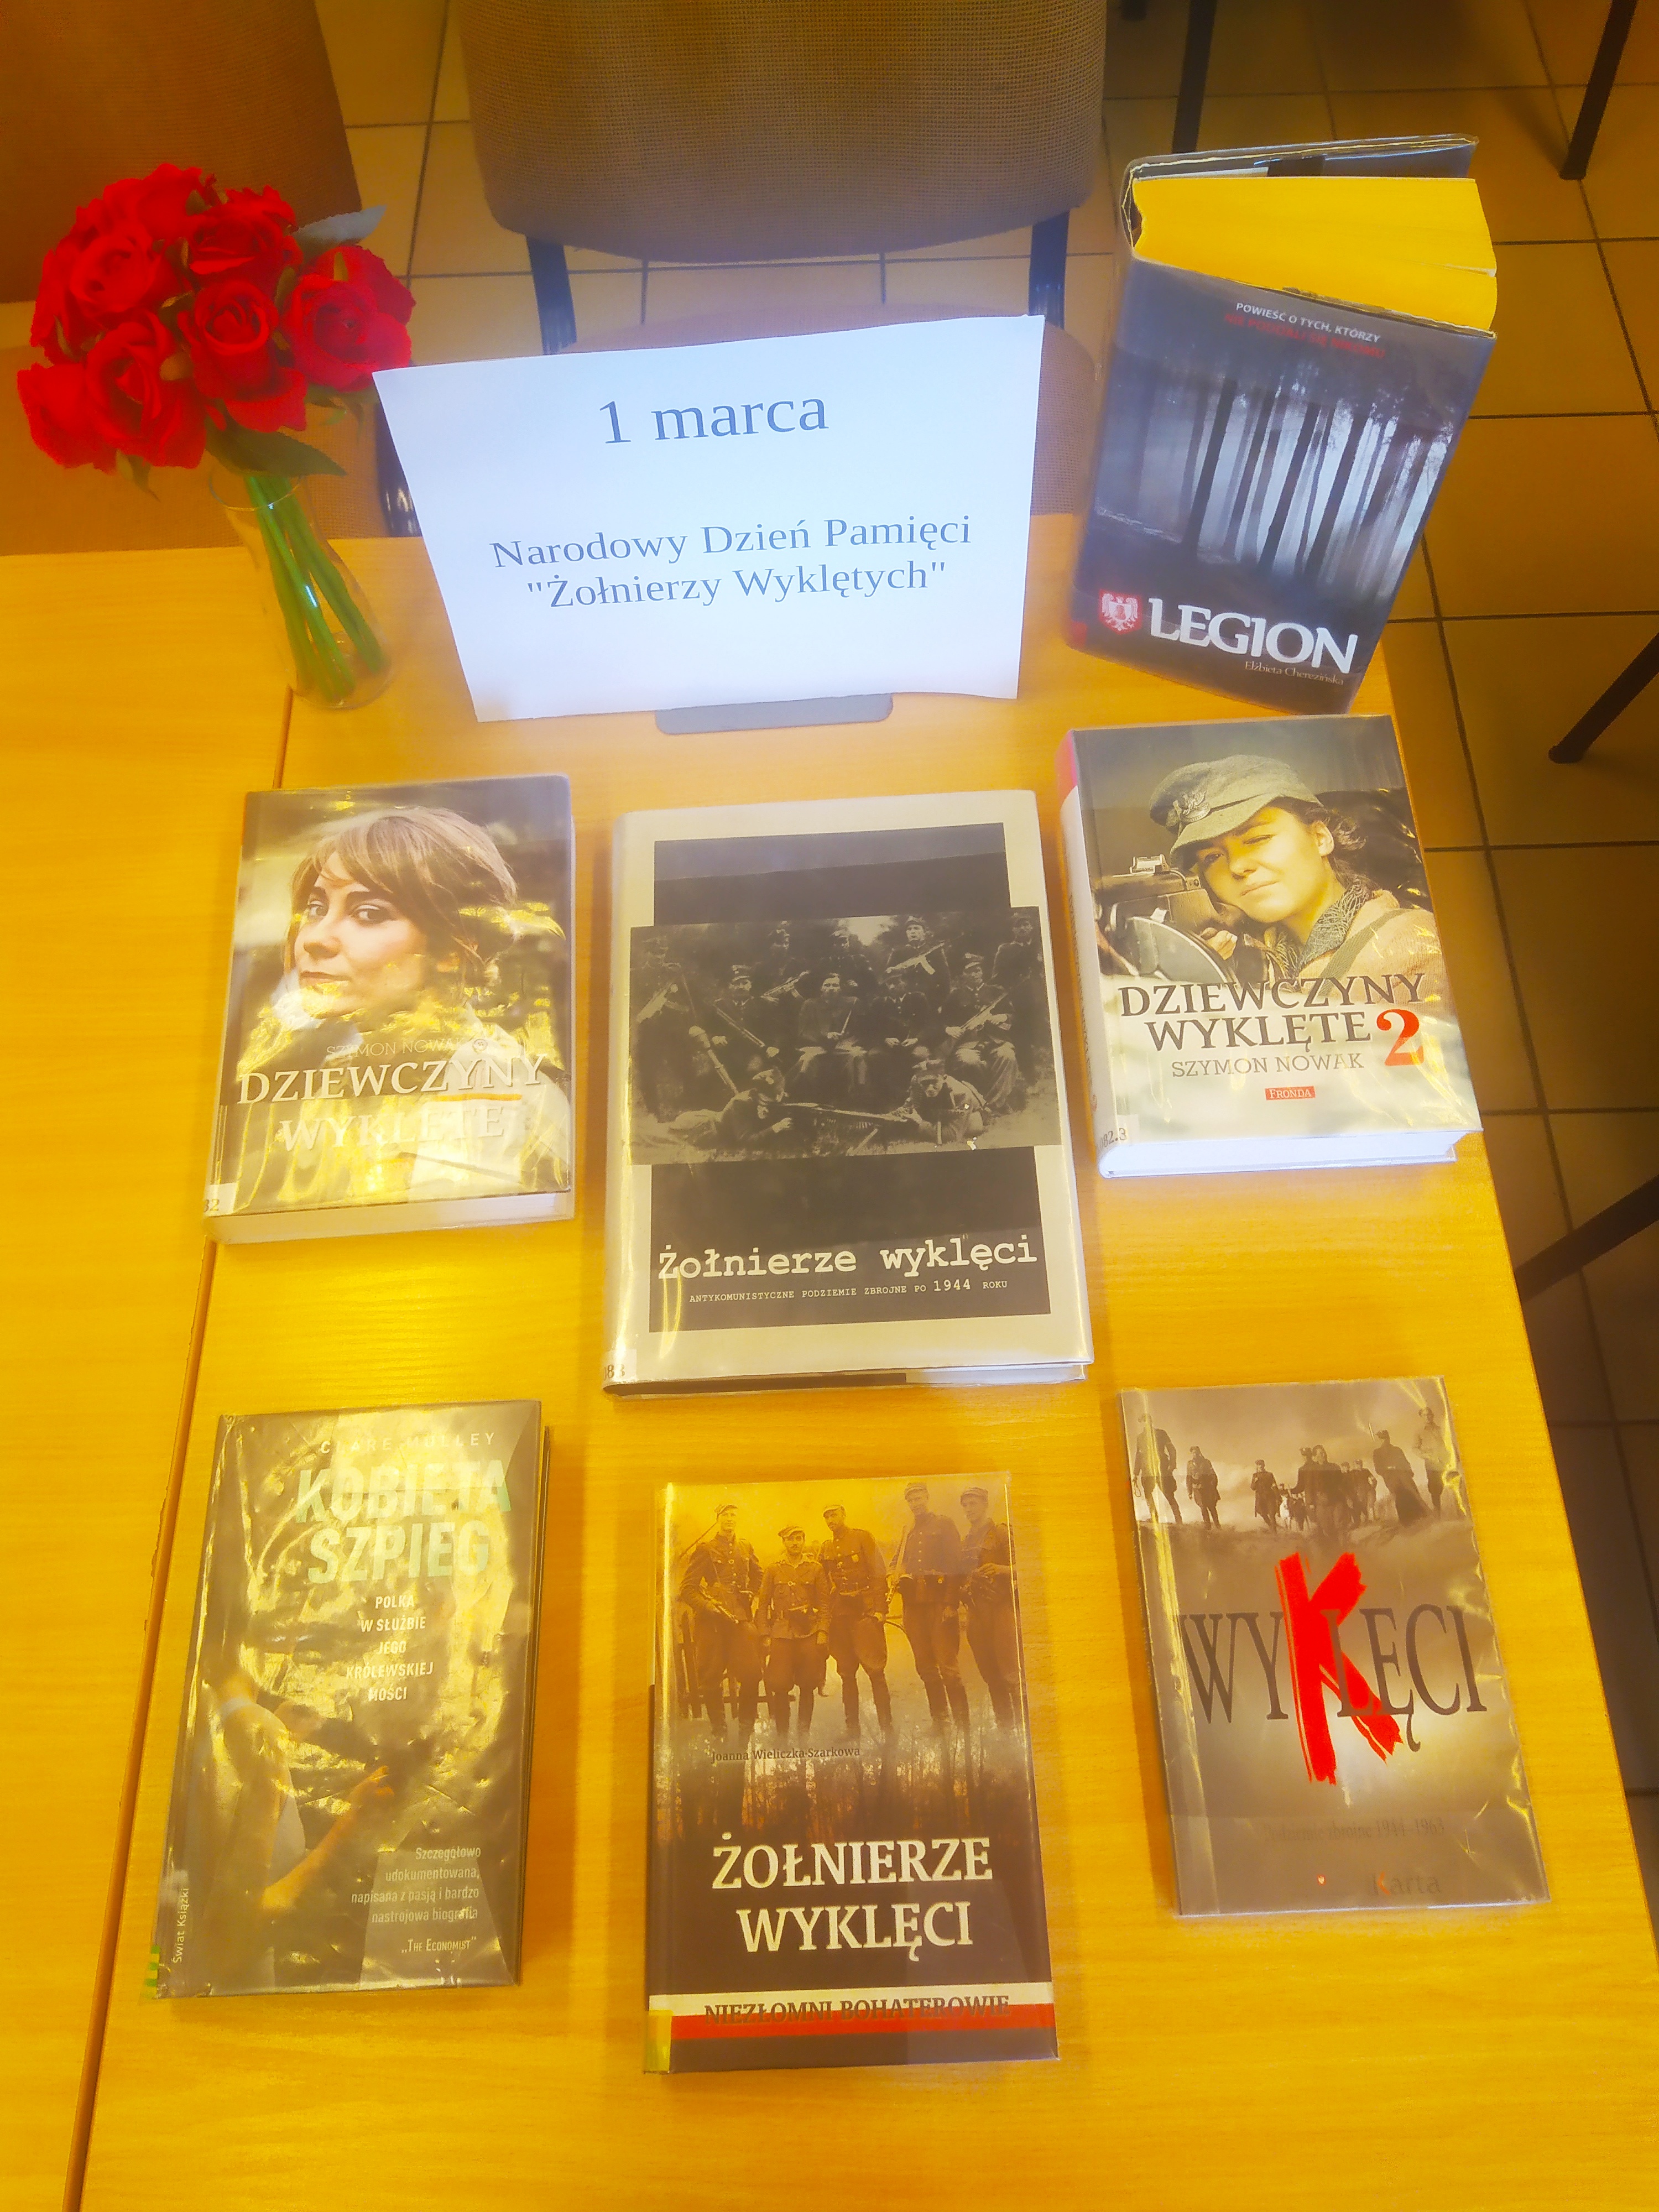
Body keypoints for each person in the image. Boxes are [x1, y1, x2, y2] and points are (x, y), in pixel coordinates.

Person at [229, 806, 571, 1212]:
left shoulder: (491, 1089)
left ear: (456, 948)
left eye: (369, 914)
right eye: (317, 908)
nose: (315, 939)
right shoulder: (337, 1074)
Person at [1147, 755, 1446, 996]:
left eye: (1257, 839)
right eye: (1212, 858)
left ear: (1320, 838)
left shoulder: (1411, 947)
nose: (1236, 867)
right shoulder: (1249, 955)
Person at [677, 1504, 763, 1740]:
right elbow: (688, 1589)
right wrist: (707, 1606)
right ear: (717, 1519)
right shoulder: (706, 1549)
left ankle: (746, 1728)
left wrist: (750, 1592)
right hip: (712, 1622)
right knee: (710, 1677)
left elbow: (759, 1574)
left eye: (733, 1515)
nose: (729, 1519)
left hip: (739, 1619)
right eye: (725, 1515)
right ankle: (719, 1731)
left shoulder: (745, 1546)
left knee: (752, 1674)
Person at [895, 1481, 969, 1734]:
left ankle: (963, 1725)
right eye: (911, 1500)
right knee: (925, 1667)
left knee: (948, 1667)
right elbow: (898, 1561)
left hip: (939, 1604)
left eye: (918, 1498)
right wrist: (895, 1574)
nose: (915, 1504)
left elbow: (956, 1566)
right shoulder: (908, 1531)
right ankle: (941, 1722)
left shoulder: (944, 1524)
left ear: (927, 1497)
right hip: (913, 1607)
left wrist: (951, 1604)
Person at [818, 1505, 892, 1736]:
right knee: (847, 1673)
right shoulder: (826, 1547)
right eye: (827, 1517)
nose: (831, 1520)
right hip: (841, 1614)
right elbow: (821, 1581)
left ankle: (887, 1728)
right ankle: (852, 1729)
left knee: (875, 1670)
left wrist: (880, 1609)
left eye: (834, 1515)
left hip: (864, 1610)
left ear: (844, 1515)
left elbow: (878, 1573)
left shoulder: (862, 1537)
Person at [757, 1526, 830, 1740]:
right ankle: (782, 1735)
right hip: (781, 1633)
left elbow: (825, 1604)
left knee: (808, 1683)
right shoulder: (773, 1569)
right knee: (780, 1685)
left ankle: (804, 1732)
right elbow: (763, 1605)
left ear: (804, 1541)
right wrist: (765, 1634)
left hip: (808, 1632)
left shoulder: (815, 1569)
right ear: (784, 1542)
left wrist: (823, 1630)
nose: (795, 1543)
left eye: (799, 1538)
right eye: (790, 1539)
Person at [959, 1485, 1020, 1728]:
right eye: (965, 1505)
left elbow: (1025, 1567)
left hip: (1001, 1609)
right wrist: (967, 1583)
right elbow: (962, 1576)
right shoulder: (967, 1541)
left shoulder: (1001, 1532)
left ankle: (1023, 1729)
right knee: (990, 1674)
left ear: (985, 1505)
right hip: (976, 1612)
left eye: (973, 1504)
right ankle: (1005, 1728)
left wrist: (1000, 1569)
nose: (969, 1509)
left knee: (1011, 1672)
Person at [942, 955, 1019, 1110]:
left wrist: (1002, 1017)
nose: (974, 975)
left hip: (995, 1040)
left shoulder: (996, 992)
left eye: (977, 971)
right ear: (963, 975)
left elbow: (1012, 1014)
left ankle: (994, 1104)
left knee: (1008, 1056)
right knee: (969, 1061)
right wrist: (949, 1029)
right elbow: (941, 1020)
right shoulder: (955, 996)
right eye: (969, 972)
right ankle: (980, 1100)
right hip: (967, 1043)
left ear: (982, 972)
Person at [793, 973, 867, 1102]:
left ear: (841, 989)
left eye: (835, 985)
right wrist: (825, 1036)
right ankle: (802, 1098)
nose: (831, 988)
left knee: (858, 1056)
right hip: (817, 1046)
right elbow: (803, 1032)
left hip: (842, 1046)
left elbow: (861, 1030)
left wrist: (849, 1039)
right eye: (827, 985)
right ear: (821, 988)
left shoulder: (852, 1003)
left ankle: (857, 1097)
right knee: (807, 1060)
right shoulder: (810, 1004)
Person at [902, 1056, 986, 1146]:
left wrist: (919, 1123)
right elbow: (915, 1104)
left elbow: (952, 1135)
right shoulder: (917, 1081)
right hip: (939, 1111)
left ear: (944, 1078)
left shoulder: (961, 1095)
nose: (930, 1089)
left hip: (970, 1113)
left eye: (934, 1082)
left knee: (975, 1126)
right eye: (925, 1084)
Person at [1373, 1430, 1430, 1526]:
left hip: (1404, 1475)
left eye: (1386, 1438)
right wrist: (1389, 1470)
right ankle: (1406, 1520)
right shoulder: (1377, 1453)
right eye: (1382, 1439)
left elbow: (1405, 1462)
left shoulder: (1397, 1450)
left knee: (1414, 1493)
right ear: (1380, 1440)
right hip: (1391, 1478)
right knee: (1399, 1496)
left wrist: (1409, 1473)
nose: (1385, 1440)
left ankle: (1422, 1515)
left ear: (1389, 1438)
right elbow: (1378, 1469)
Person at [1133, 1422, 1178, 1522]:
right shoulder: (1140, 1438)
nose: (1145, 1424)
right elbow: (1138, 1456)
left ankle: (1178, 1519)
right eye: (1143, 1422)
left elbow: (1172, 1449)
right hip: (1147, 1470)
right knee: (1148, 1494)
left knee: (1169, 1494)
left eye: (1146, 1421)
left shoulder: (1161, 1433)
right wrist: (1136, 1473)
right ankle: (1154, 1517)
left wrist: (1172, 1465)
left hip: (1162, 1468)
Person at [1417, 1404, 1454, 1516]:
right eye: (1425, 1415)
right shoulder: (1419, 1432)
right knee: (1435, 1488)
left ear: (1433, 1416)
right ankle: (1437, 1512)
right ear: (1421, 1417)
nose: (1428, 1417)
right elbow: (1415, 1448)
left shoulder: (1440, 1429)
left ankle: (1459, 1511)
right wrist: (1426, 1456)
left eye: (1429, 1414)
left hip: (1445, 1461)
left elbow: (1448, 1443)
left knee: (1452, 1483)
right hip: (1432, 1464)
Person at [1186, 1446, 1221, 1527]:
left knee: (1212, 1507)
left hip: (1207, 1488)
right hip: (1197, 1488)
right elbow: (1189, 1478)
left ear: (1199, 1453)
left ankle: (1218, 1526)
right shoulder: (1190, 1464)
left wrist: (1213, 1487)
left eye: (1196, 1453)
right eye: (1193, 1453)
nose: (1195, 1455)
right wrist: (1190, 1492)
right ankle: (1208, 1526)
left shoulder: (1206, 1462)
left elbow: (1213, 1475)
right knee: (1203, 1507)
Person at [1250, 1459, 1280, 1530]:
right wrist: (1255, 1482)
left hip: (1270, 1496)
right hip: (1260, 1498)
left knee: (1272, 1514)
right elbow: (1253, 1488)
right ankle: (1271, 1525)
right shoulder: (1255, 1475)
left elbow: (1274, 1486)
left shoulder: (1269, 1475)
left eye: (1261, 1465)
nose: (1260, 1466)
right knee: (1262, 1513)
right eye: (1259, 1465)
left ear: (1264, 1465)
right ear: (1257, 1466)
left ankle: (1274, 1532)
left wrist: (1278, 1497)